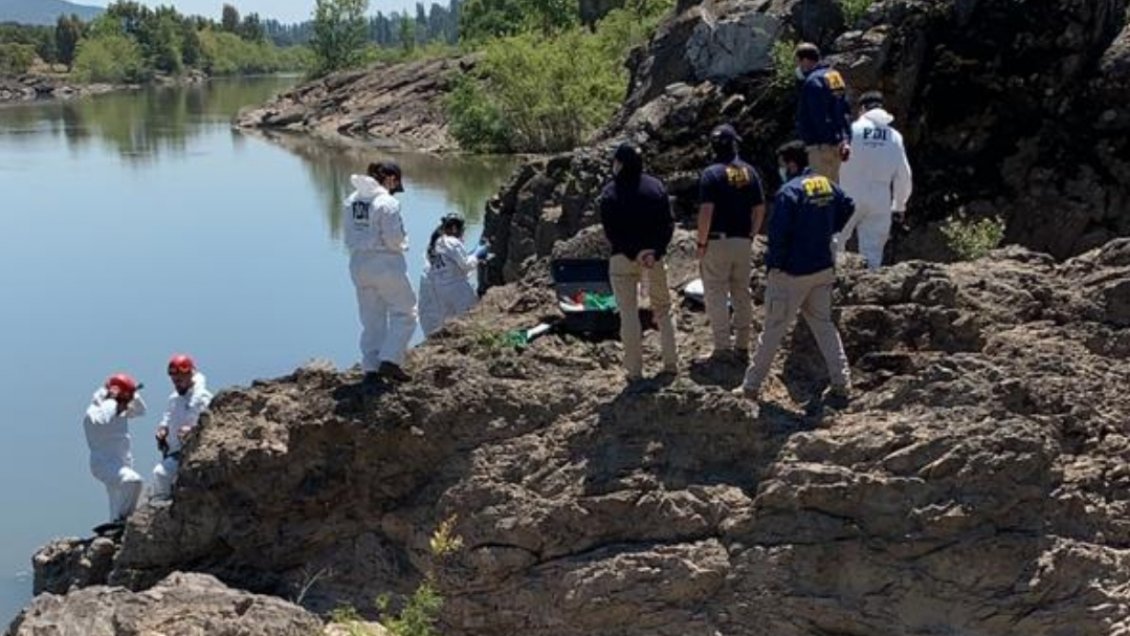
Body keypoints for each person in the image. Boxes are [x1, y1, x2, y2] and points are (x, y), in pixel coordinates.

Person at [738, 141, 854, 403]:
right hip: (822, 267)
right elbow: (848, 204)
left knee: (773, 330)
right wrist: (829, 229)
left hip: (792, 272)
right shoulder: (825, 184)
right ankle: (841, 382)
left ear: (791, 164)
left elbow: (778, 235)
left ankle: (751, 386)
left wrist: (774, 266)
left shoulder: (789, 191)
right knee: (824, 326)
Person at [599, 142, 678, 380]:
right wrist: (654, 251)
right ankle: (671, 364)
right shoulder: (655, 187)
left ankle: (634, 372)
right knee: (663, 310)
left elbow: (610, 232)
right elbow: (668, 224)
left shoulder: (610, 193)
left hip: (622, 258)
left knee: (628, 314)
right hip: (653, 258)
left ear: (620, 164)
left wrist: (633, 253)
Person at [343, 161, 418, 386]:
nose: (396, 189)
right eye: (396, 184)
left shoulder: (352, 200)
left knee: (371, 318)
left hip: (358, 263)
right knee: (405, 312)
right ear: (391, 179)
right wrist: (405, 243)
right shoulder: (387, 202)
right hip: (385, 262)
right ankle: (390, 360)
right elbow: (394, 239)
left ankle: (371, 367)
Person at [696, 124, 766, 361]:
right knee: (741, 293)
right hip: (742, 241)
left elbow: (706, 212)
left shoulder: (711, 174)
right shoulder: (749, 172)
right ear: (735, 143)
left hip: (717, 240)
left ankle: (722, 347)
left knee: (716, 293)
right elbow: (759, 208)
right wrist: (751, 235)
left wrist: (701, 242)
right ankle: (743, 345)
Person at [838, 91, 913, 269]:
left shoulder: (850, 130)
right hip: (880, 198)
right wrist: (899, 205)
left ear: (862, 109)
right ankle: (870, 291)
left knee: (834, 243)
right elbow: (904, 174)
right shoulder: (894, 136)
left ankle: (833, 288)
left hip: (848, 194)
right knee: (873, 254)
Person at [83, 373, 146, 529]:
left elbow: (141, 411)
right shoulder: (94, 412)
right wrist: (112, 398)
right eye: (125, 401)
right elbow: (103, 420)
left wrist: (131, 392)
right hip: (104, 463)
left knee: (117, 500)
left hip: (123, 462)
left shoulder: (120, 410)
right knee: (133, 481)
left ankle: (114, 529)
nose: (127, 405)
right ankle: (122, 522)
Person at [152, 354, 213, 500]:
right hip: (173, 451)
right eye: (174, 381)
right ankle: (161, 503)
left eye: (179, 380)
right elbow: (167, 417)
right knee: (162, 474)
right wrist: (163, 429)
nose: (176, 384)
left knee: (161, 473)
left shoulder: (203, 398)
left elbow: (209, 424)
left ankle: (163, 502)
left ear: (190, 375)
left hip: (193, 451)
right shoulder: (174, 398)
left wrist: (192, 430)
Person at [419, 213, 489, 337]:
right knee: (471, 317)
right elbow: (466, 265)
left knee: (449, 323)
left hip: (441, 290)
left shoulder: (437, 243)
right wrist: (478, 254)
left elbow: (453, 264)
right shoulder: (452, 241)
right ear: (455, 229)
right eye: (462, 229)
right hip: (457, 289)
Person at [794, 42, 853, 182]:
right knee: (836, 188)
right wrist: (844, 140)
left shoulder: (812, 81)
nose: (799, 67)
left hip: (821, 147)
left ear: (806, 61)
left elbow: (817, 116)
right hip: (839, 144)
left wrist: (824, 140)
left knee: (822, 192)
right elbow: (844, 110)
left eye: (799, 62)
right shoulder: (835, 76)